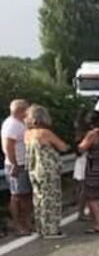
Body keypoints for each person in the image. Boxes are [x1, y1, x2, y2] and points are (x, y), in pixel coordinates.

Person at [24, 105, 69, 239]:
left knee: (38, 199)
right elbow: (62, 147)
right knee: (51, 199)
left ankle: (40, 227)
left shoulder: (27, 134)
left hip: (33, 169)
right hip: (47, 170)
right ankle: (51, 229)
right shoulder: (45, 133)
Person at [2, 99, 33, 236]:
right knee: (17, 196)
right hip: (16, 164)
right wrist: (14, 164)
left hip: (23, 163)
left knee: (25, 195)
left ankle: (26, 222)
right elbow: (8, 147)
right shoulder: (12, 125)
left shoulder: (20, 123)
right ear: (20, 110)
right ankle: (17, 224)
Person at [72, 112, 91, 222]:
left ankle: (81, 211)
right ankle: (81, 212)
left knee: (81, 188)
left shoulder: (77, 133)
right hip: (85, 161)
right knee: (85, 189)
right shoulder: (86, 134)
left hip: (79, 162)